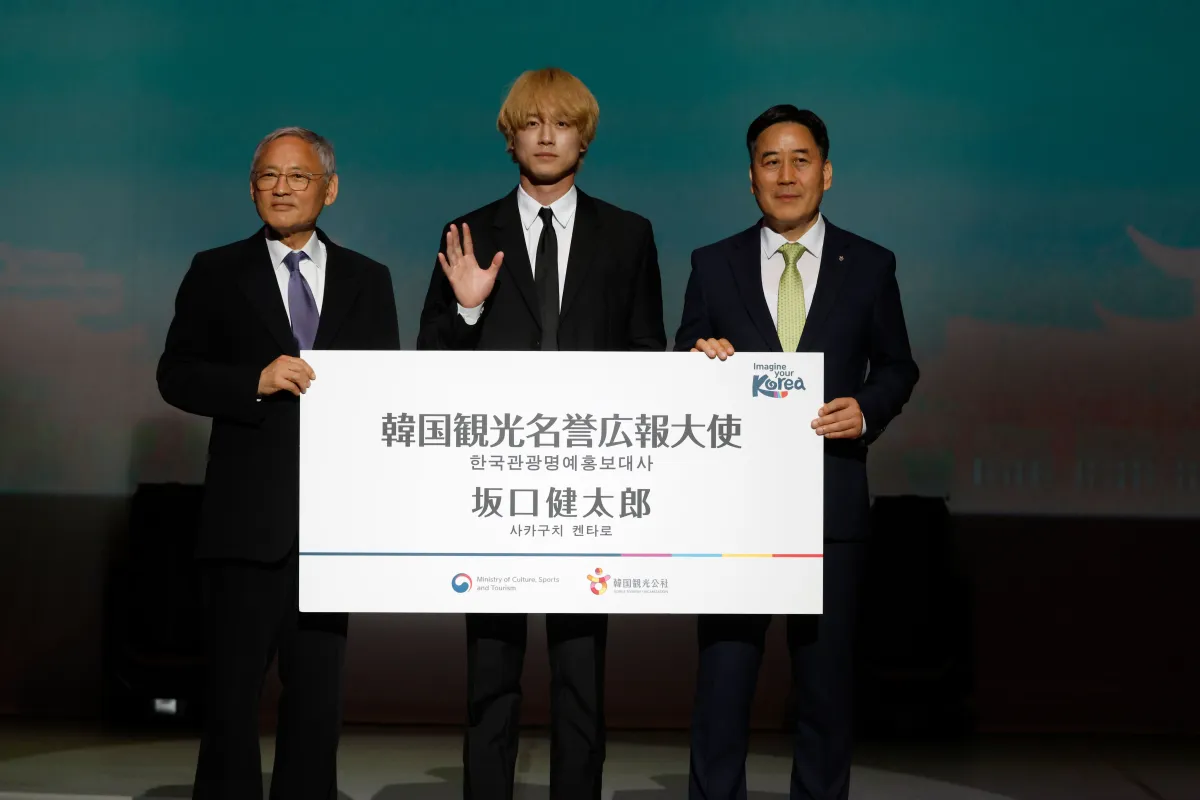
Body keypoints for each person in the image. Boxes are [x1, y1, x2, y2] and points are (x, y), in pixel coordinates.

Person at [417, 67, 666, 799]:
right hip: (496, 482)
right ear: (510, 138)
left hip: (588, 485)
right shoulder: (467, 233)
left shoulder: (629, 234)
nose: (547, 136)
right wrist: (467, 310)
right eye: (532, 123)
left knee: (581, 673)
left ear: (585, 139)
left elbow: (647, 352)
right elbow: (429, 359)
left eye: (563, 123)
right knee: (490, 671)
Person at [674, 105, 920, 800]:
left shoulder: (870, 264)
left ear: (827, 173)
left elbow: (898, 366)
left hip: (830, 506)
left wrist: (865, 409)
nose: (786, 175)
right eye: (770, 161)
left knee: (825, 693)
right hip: (736, 514)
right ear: (750, 177)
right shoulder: (712, 263)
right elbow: (684, 354)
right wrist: (698, 358)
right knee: (723, 688)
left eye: (801, 159)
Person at [157, 126, 400, 800]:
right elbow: (175, 374)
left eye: (298, 176)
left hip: (331, 530)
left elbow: (385, 392)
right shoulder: (215, 271)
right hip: (243, 525)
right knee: (230, 702)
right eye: (268, 176)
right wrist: (253, 382)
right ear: (252, 188)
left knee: (317, 703)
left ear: (330, 188)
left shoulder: (368, 279)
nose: (282, 188)